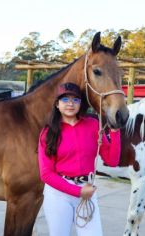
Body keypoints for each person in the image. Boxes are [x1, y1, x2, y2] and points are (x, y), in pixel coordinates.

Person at [38, 82, 121, 236]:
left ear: (80, 103)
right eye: (65, 99)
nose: (70, 103)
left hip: (87, 189)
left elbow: (112, 160)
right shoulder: (48, 132)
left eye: (75, 99)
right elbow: (46, 173)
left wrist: (115, 132)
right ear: (57, 104)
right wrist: (78, 191)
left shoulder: (93, 125)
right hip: (59, 194)